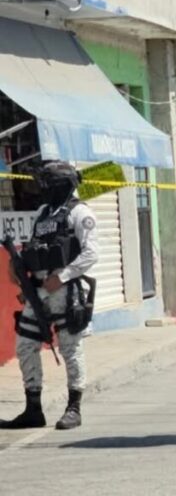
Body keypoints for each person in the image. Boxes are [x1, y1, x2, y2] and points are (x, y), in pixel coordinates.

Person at [0, 161, 98, 430]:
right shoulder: (44, 212)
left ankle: (74, 408)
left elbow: (92, 253)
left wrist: (63, 276)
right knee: (25, 345)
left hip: (67, 291)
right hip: (39, 290)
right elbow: (36, 246)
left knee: (70, 348)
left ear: (64, 186)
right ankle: (33, 409)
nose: (43, 190)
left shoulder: (81, 213)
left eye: (49, 185)